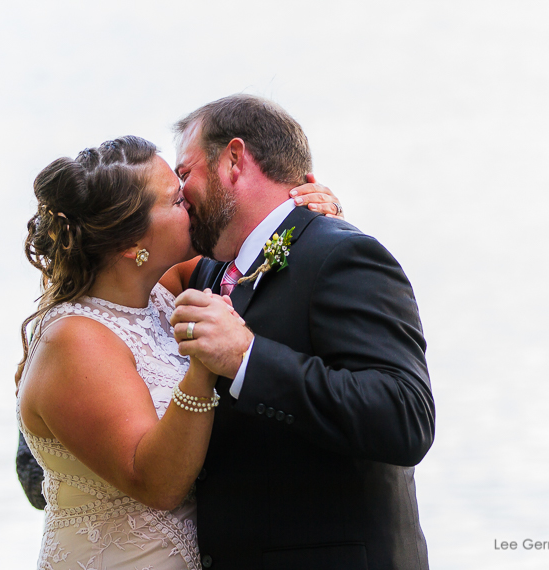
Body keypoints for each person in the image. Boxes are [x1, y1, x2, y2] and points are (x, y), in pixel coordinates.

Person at [16, 135, 342, 570]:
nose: (190, 198)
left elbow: (252, 251)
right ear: (133, 245)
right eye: (174, 200)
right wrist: (203, 366)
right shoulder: (75, 340)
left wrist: (308, 221)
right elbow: (157, 484)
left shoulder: (158, 291)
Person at [169, 94, 434, 570]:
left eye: (184, 173)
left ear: (233, 159)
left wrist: (248, 358)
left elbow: (405, 416)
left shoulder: (343, 256)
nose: (178, 193)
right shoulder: (209, 272)